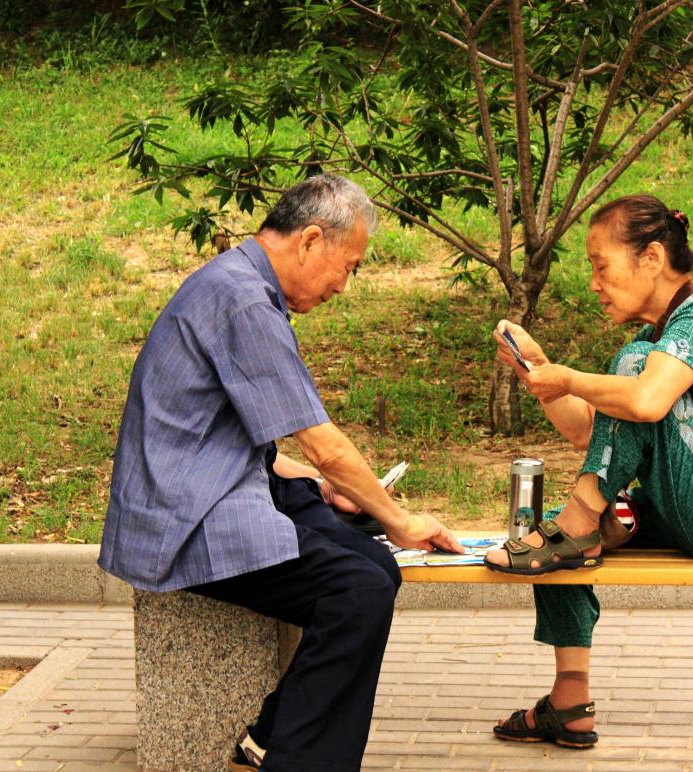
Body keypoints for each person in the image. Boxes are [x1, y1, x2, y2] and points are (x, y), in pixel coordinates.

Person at [98, 173, 463, 772]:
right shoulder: (244, 302)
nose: (343, 286)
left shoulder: (239, 283)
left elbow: (252, 439)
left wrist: (324, 489)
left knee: (374, 567)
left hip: (215, 483)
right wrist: (398, 519)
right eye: (348, 267)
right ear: (311, 240)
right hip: (189, 517)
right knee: (359, 590)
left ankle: (269, 737)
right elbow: (323, 445)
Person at [484, 194, 693, 749]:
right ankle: (569, 701)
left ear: (651, 258)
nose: (593, 284)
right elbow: (589, 433)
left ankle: (582, 523)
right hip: (691, 509)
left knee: (627, 387)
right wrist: (541, 372)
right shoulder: (655, 342)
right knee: (558, 533)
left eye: (600, 266)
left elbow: (646, 402)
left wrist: (570, 378)